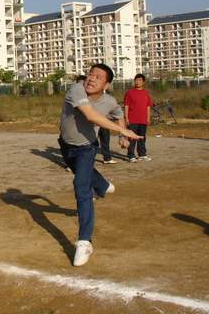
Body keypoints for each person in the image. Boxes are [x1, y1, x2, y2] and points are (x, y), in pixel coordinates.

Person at [59, 63, 141, 267]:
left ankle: (84, 241)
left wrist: (123, 134)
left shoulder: (109, 101)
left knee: (81, 186)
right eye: (91, 74)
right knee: (82, 174)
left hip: (87, 148)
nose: (92, 79)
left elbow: (118, 113)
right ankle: (103, 185)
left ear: (106, 85)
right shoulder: (76, 89)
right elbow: (91, 115)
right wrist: (122, 131)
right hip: (66, 146)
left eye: (98, 77)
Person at [124, 74, 153, 163]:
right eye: (136, 80)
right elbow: (126, 105)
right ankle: (131, 156)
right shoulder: (130, 92)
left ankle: (142, 154)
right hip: (132, 120)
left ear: (143, 82)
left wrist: (148, 118)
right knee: (132, 138)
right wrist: (126, 118)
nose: (137, 82)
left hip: (143, 120)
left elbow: (148, 106)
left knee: (142, 138)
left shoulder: (146, 93)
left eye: (140, 80)